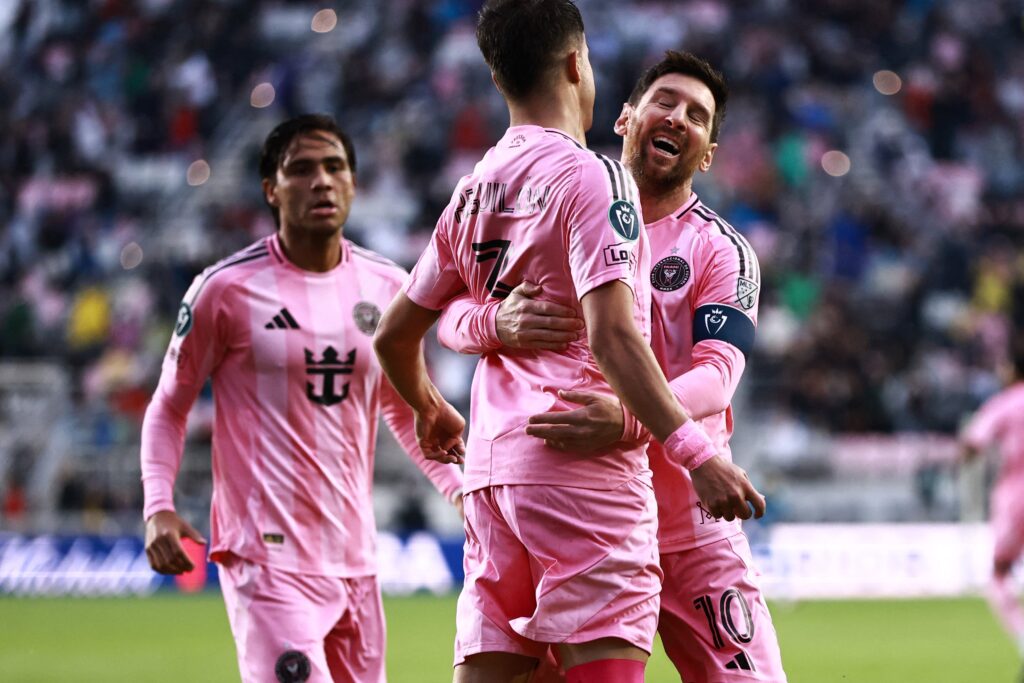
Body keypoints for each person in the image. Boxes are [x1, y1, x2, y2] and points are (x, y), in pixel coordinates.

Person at [373, 3, 765, 681]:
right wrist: (494, 324)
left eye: (697, 116)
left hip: (679, 518)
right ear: (619, 113)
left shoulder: (719, 249)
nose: (677, 118)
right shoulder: (590, 184)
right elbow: (585, 333)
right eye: (664, 102)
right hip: (588, 486)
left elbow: (717, 376)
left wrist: (628, 416)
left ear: (709, 153)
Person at [140, 114, 463, 683]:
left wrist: (461, 491)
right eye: (302, 169)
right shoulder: (224, 289)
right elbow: (170, 404)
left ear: (354, 183)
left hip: (355, 556)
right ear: (272, 189)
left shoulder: (388, 287)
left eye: (335, 167)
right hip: (265, 556)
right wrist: (157, 505)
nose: (322, 181)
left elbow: (405, 407)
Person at [960, 341, 1024, 665]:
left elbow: (972, 444)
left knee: (999, 573)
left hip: (1015, 495)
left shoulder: (1004, 403)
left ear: (1012, 370)